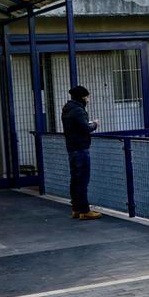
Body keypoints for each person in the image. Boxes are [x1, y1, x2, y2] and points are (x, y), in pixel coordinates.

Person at [61, 85, 102, 220]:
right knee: (83, 180)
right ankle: (84, 210)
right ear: (82, 97)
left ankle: (76, 208)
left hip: (71, 148)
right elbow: (85, 128)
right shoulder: (79, 111)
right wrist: (95, 124)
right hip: (81, 148)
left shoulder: (67, 109)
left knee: (75, 179)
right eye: (87, 97)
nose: (88, 99)